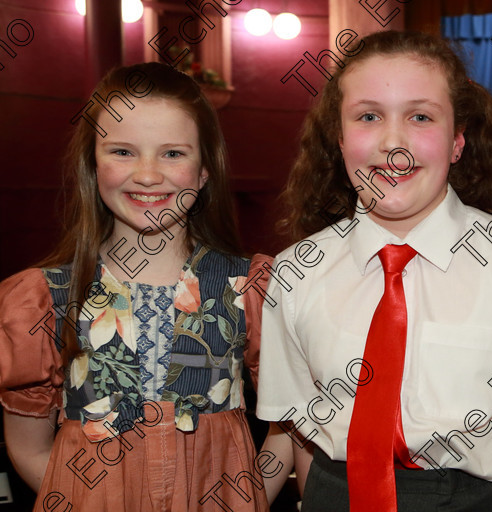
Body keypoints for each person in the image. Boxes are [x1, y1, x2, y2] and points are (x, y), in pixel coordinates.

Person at [255, 30, 492, 511]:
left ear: (457, 142)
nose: (393, 143)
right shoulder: (296, 272)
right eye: (368, 117)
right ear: (340, 139)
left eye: (420, 117)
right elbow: (298, 428)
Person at [0, 62, 291, 511]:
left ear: (205, 169)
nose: (149, 174)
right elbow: (29, 446)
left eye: (173, 153)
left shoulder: (250, 288)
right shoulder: (44, 296)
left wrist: (244, 499)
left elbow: (286, 430)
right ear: (92, 165)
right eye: (122, 151)